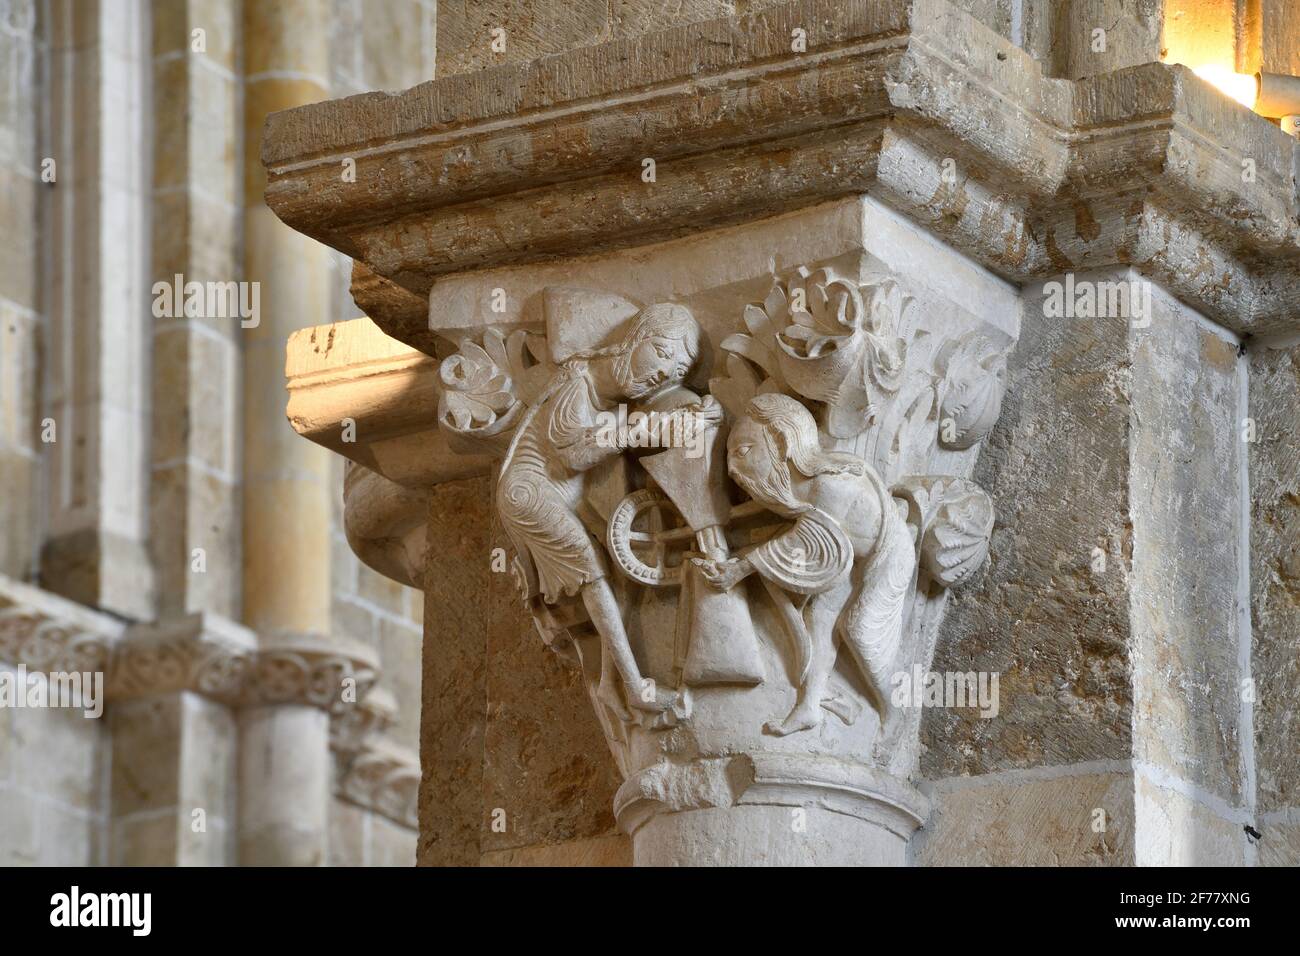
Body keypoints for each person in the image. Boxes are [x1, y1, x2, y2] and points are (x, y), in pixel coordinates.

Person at [498, 303, 719, 716]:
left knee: (608, 580)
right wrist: (631, 431)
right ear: (636, 337)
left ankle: (608, 686)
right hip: (529, 490)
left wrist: (697, 416)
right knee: (593, 571)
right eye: (662, 352)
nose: (663, 372)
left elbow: (648, 431)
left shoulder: (614, 399)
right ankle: (635, 686)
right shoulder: (578, 380)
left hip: (559, 493)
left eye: (675, 370)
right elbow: (574, 457)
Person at [696, 392, 915, 735]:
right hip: (845, 559)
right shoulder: (796, 492)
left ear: (782, 441)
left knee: (859, 631)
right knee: (819, 621)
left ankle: (893, 710)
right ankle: (810, 706)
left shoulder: (831, 484)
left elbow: (809, 541)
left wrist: (739, 568)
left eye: (743, 451)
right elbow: (798, 531)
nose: (731, 469)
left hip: (886, 556)